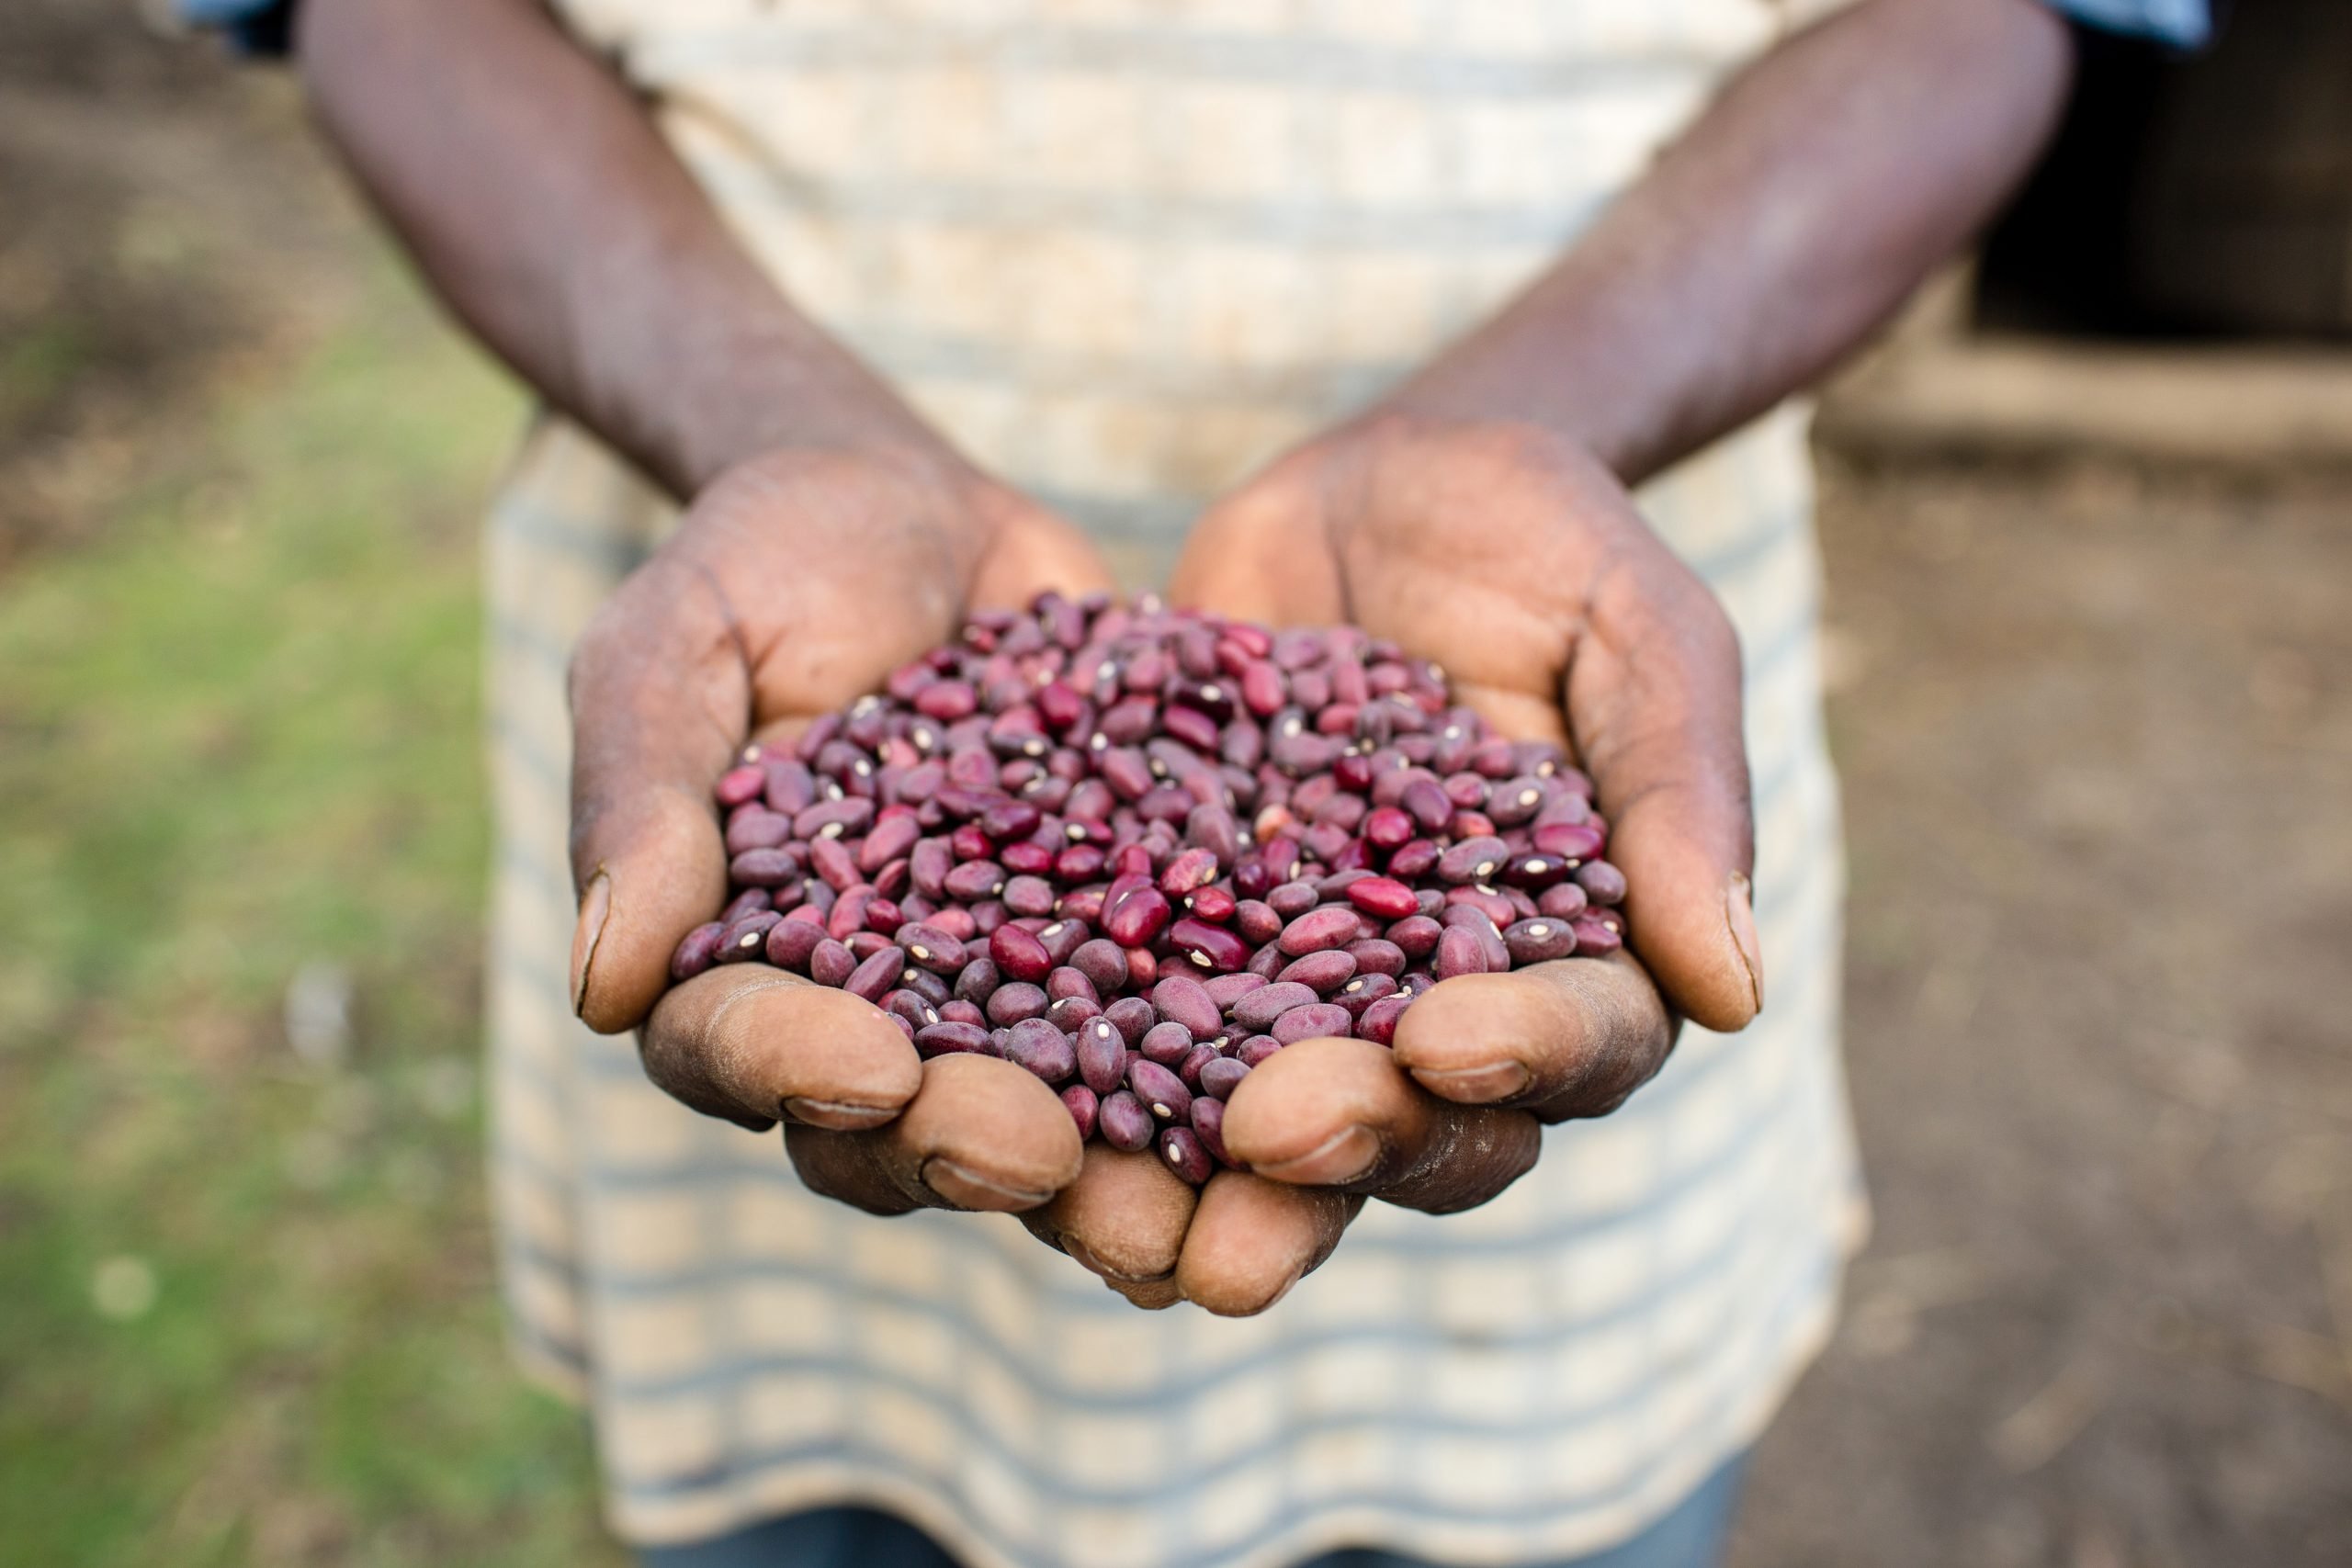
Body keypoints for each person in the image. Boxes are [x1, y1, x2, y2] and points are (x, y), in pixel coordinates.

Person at [194, 0, 2208, 1562]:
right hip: (762, 727)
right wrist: (766, 419)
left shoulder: (1455, 808)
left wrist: (1533, 418)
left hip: (1547, 754)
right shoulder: (866, 808)